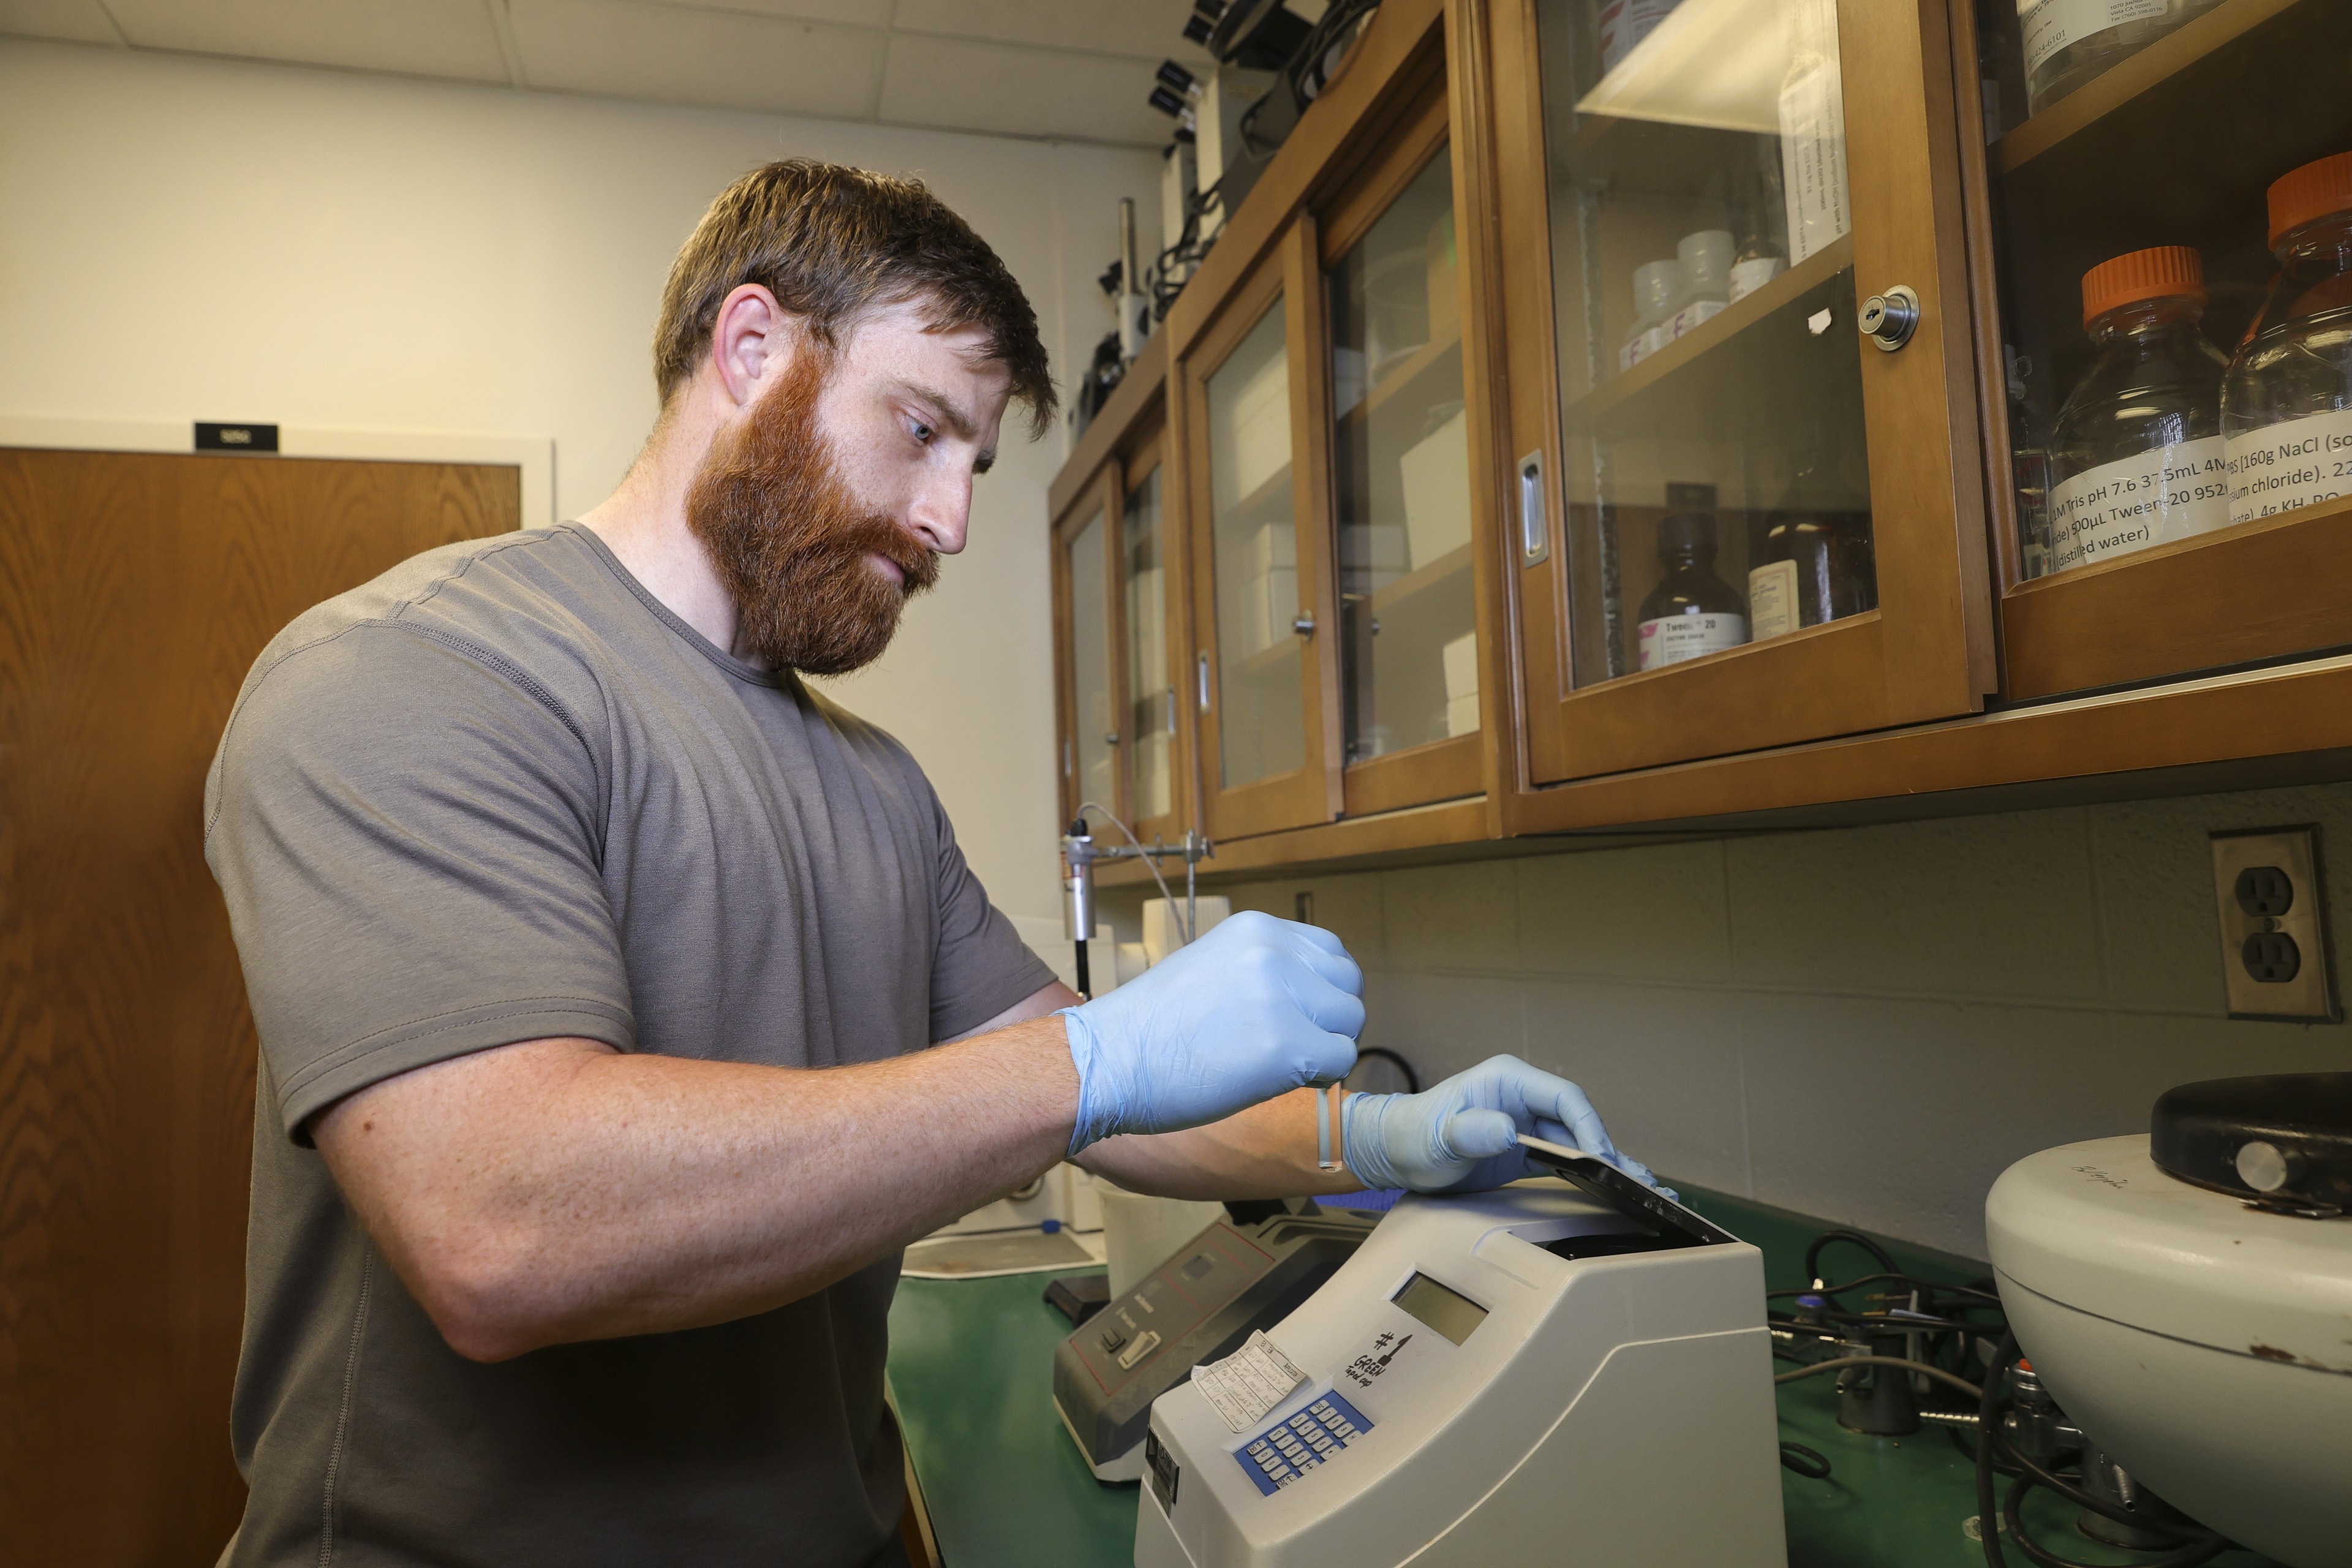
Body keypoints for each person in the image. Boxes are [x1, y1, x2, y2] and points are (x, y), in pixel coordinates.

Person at [203, 159, 1660, 1568]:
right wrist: (1094, 1060)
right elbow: (503, 1224)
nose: (950, 521)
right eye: (919, 431)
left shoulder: (876, 785)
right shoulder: (419, 673)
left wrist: (1372, 1145)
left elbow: (1090, 1097)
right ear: (754, 348)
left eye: (974, 462)